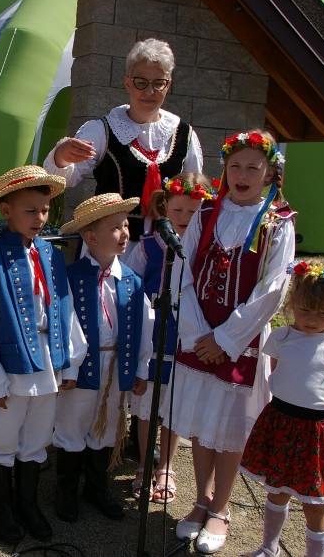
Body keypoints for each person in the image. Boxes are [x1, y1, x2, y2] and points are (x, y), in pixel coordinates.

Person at [168, 131, 296, 554]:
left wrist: (225, 339)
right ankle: (201, 501)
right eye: (235, 166)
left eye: (253, 168)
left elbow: (273, 289)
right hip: (198, 334)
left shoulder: (278, 223)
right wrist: (196, 334)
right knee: (203, 426)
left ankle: (221, 508)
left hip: (239, 343)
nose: (242, 175)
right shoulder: (206, 213)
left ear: (269, 173)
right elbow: (182, 273)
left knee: (228, 430)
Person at [0, 165, 86, 543]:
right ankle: (2, 508)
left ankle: (28, 504)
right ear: (6, 211)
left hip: (49, 362)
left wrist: (71, 361)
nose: (40, 218)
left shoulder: (52, 256)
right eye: (30, 210)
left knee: (37, 436)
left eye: (44, 210)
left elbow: (65, 310)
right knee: (4, 435)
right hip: (11, 367)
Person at [238, 260, 324, 557]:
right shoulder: (281, 337)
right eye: (305, 310)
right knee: (277, 491)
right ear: (292, 304)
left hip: (316, 431)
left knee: (315, 504)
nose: (313, 319)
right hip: (281, 422)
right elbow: (275, 372)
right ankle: (268, 548)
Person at [52, 193, 153, 525]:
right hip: (81, 370)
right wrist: (66, 366)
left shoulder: (132, 281)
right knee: (73, 426)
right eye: (115, 227)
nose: (124, 233)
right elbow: (61, 324)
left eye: (126, 225)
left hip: (116, 368)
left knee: (107, 428)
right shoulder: (71, 275)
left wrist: (139, 368)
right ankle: (65, 491)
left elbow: (143, 327)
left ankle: (96, 488)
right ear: (90, 237)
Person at [43, 37, 203, 246]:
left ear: (168, 84)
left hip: (166, 249)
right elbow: (63, 180)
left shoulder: (184, 134)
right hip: (112, 249)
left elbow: (195, 192)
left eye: (158, 83)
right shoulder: (101, 131)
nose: (149, 91)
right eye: (141, 82)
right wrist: (62, 157)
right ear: (127, 82)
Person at [124, 172, 213, 503]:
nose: (185, 219)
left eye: (193, 212)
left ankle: (167, 465)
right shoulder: (148, 245)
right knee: (148, 404)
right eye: (178, 211)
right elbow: (131, 284)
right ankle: (145, 464)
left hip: (187, 336)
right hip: (155, 333)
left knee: (173, 403)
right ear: (164, 207)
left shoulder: (207, 248)